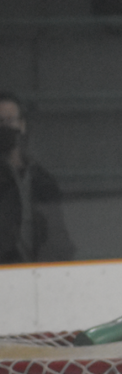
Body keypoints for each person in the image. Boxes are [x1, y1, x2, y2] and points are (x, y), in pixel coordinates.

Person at [1, 91, 76, 264]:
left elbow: (57, 234)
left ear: (22, 125)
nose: (4, 128)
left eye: (9, 120)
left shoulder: (41, 180)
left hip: (37, 271)